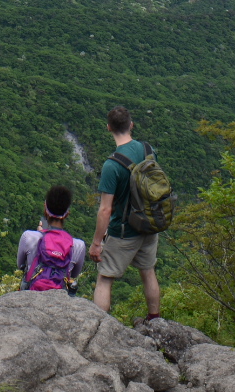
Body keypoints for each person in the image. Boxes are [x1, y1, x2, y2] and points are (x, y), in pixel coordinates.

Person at [88, 106, 161, 319]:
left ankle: (99, 328)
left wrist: (96, 243)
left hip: (124, 231)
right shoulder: (149, 151)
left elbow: (105, 210)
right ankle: (155, 320)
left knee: (104, 278)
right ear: (131, 125)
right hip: (149, 225)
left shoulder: (112, 165)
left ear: (108, 127)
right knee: (148, 272)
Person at [16, 184, 86, 293]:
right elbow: (74, 274)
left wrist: (41, 235)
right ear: (67, 213)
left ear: (45, 207)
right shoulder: (78, 245)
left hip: (31, 295)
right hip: (58, 298)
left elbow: (20, 265)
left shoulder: (29, 237)